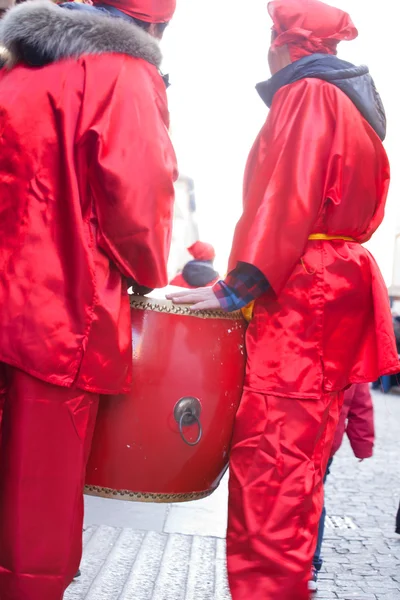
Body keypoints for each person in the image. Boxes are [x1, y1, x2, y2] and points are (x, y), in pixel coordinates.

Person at [167, 0, 399, 598]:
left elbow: (288, 196)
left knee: (271, 467)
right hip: (328, 286)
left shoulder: (309, 94)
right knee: (297, 471)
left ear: (283, 41)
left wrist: (236, 286)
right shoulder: (354, 104)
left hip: (303, 298)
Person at [0, 0, 177, 598]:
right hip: (60, 314)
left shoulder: (17, 67)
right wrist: (147, 273)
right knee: (37, 503)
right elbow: (140, 197)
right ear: (155, 25)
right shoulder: (125, 74)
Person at [310, 383, 375, 592]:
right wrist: (362, 444)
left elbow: (360, 404)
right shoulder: (351, 354)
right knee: (313, 496)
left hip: (302, 436)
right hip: (325, 440)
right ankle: (309, 564)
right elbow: (361, 405)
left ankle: (304, 561)